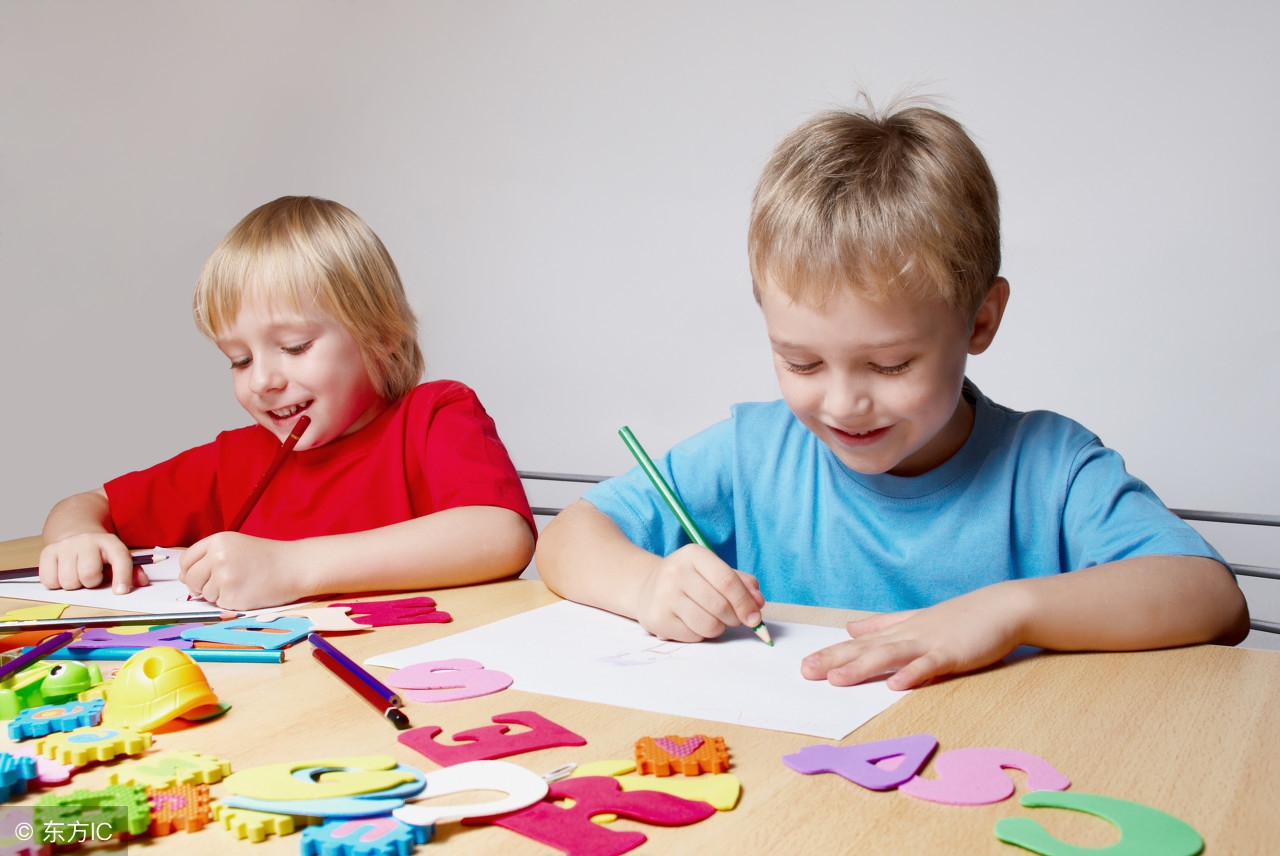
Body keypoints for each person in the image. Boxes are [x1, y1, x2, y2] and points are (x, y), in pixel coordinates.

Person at [535, 101, 1249, 690]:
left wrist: (1010, 611)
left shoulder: (1050, 468)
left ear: (981, 321)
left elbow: (1211, 597)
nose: (843, 405)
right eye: (802, 361)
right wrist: (647, 587)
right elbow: (566, 538)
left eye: (890, 364)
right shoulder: (754, 453)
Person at [40, 196, 535, 610]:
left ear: (382, 336)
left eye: (295, 347)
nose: (261, 381)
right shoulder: (233, 461)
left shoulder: (434, 416)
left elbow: (500, 534)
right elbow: (87, 505)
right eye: (238, 359)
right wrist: (75, 539)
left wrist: (292, 568)